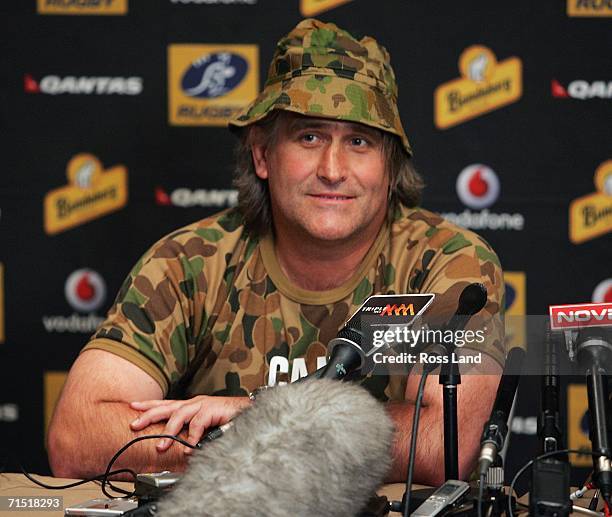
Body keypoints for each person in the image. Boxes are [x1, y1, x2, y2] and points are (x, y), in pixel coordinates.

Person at [47, 19, 504, 485]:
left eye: (359, 142)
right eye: (309, 137)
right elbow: (77, 436)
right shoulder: (190, 261)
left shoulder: (449, 263)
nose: (332, 169)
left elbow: (441, 445)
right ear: (263, 155)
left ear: (389, 165)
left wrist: (251, 418)